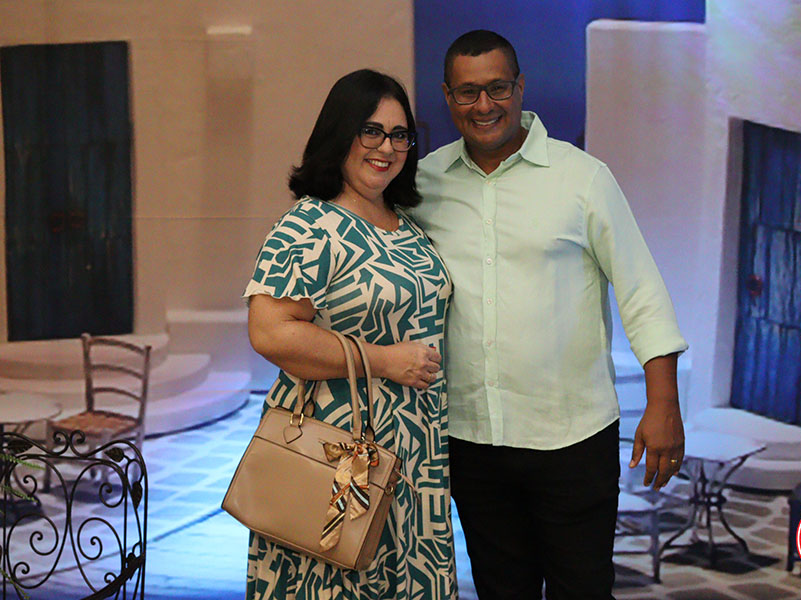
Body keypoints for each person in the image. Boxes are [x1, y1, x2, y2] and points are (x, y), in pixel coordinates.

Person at [410, 30, 688, 599]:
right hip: (471, 438)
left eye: (497, 88)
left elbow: (642, 291)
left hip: (572, 438)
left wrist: (663, 403)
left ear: (520, 87)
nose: (483, 105)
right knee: (501, 591)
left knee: (582, 591)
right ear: (447, 96)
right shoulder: (423, 184)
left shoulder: (582, 177)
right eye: (467, 92)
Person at [244, 69, 457, 600]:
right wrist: (383, 360)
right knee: (338, 579)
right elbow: (270, 333)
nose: (387, 147)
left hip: (415, 457)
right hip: (337, 459)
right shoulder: (309, 226)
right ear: (341, 133)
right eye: (371, 131)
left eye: (400, 134)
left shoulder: (406, 224)